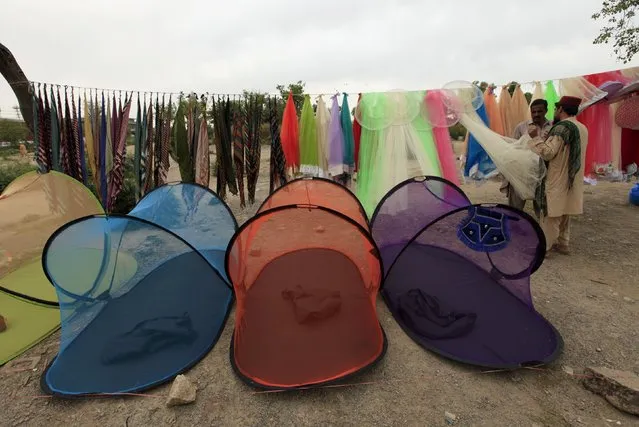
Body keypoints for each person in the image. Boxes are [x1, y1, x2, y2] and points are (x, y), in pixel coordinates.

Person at [528, 96, 588, 255]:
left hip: (557, 177)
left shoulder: (562, 128)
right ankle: (563, 244)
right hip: (573, 178)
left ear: (561, 109)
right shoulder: (582, 127)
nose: (554, 112)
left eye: (556, 109)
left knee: (551, 213)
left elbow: (547, 153)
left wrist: (535, 137)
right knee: (565, 209)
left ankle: (545, 247)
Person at [500, 99, 552, 210]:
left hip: (543, 173)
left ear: (546, 111)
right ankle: (514, 225)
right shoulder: (522, 127)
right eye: (534, 112)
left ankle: (540, 226)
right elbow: (513, 149)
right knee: (515, 208)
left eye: (540, 111)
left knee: (542, 209)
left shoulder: (552, 127)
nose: (536, 114)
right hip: (522, 173)